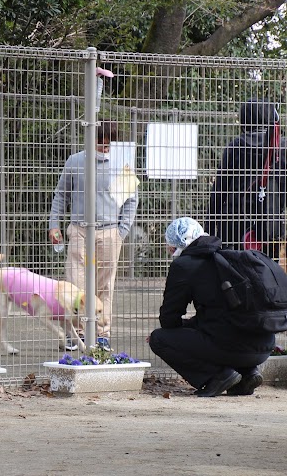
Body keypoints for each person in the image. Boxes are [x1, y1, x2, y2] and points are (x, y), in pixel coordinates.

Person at [148, 217, 274, 397]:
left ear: (179, 244)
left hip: (230, 347)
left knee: (159, 338)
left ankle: (216, 377)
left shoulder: (184, 265)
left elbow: (169, 319)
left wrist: (187, 326)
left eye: (170, 246)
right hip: (264, 346)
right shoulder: (229, 256)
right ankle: (248, 373)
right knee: (223, 327)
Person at [48, 120, 139, 350]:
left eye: (109, 145)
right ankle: (75, 333)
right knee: (75, 284)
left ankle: (102, 333)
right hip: (79, 230)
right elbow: (61, 195)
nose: (104, 148)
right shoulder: (76, 161)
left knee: (104, 286)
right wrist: (54, 224)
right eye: (100, 144)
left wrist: (121, 231)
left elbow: (130, 201)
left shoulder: (122, 164)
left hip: (109, 232)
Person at [205, 99, 287, 260]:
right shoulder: (281, 147)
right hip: (270, 221)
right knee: (267, 271)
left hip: (234, 221)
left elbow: (220, 189)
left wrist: (210, 227)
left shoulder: (236, 145)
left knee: (233, 270)